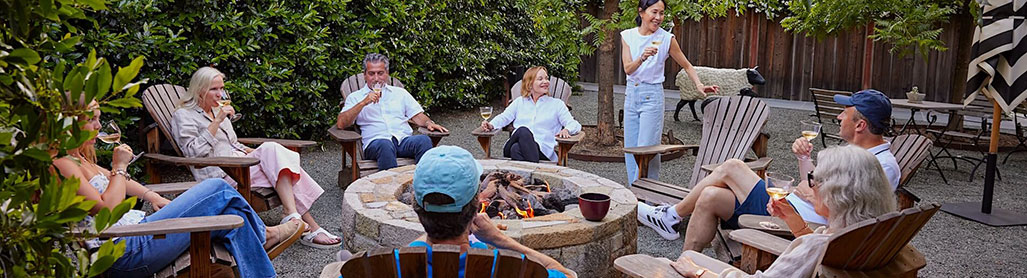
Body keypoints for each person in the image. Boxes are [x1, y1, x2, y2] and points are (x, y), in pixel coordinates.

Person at [53, 100, 305, 277]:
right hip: (124, 252)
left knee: (233, 219)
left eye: (98, 118)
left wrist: (151, 195)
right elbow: (106, 209)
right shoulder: (63, 164)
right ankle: (265, 235)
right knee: (217, 188)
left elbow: (118, 183)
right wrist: (120, 166)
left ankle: (264, 249)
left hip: (139, 234)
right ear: (68, 124)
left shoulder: (80, 159)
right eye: (91, 120)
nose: (98, 126)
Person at [637, 90, 900, 253]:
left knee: (732, 166)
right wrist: (804, 158)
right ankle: (686, 262)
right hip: (790, 205)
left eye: (845, 112)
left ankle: (671, 215)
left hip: (795, 221)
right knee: (709, 196)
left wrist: (809, 193)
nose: (840, 117)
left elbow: (842, 212)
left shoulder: (881, 167)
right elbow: (813, 185)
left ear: (861, 124)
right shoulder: (853, 151)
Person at [171, 67, 341, 249]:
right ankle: (309, 227)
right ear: (199, 90)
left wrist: (255, 153)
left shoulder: (215, 110)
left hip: (241, 164)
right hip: (222, 173)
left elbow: (233, 143)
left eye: (222, 88)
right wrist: (217, 121)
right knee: (276, 157)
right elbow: (193, 153)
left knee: (274, 155)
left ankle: (294, 216)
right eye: (214, 89)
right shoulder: (184, 115)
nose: (220, 94)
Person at [668, 145, 898, 278]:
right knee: (711, 196)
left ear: (835, 195)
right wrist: (793, 219)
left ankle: (670, 218)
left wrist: (697, 272)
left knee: (687, 260)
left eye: (814, 180)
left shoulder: (815, 247)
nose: (811, 185)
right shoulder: (868, 232)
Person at [408, 146, 575, 278]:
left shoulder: (394, 263)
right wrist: (499, 239)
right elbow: (568, 275)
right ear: (476, 206)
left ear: (415, 205)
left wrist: (435, 225)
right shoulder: (504, 268)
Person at [621, 0, 719, 184]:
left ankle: (643, 197)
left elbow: (687, 65)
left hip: (652, 98)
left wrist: (698, 85)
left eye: (662, 13)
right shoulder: (627, 36)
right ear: (641, 12)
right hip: (631, 96)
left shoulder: (667, 38)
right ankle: (635, 192)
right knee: (631, 148)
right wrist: (642, 57)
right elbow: (628, 68)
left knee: (647, 150)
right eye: (654, 12)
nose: (658, 18)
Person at [336, 53, 449, 170]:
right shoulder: (355, 97)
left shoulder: (400, 93)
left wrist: (428, 123)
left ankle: (424, 184)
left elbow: (418, 115)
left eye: (380, 73)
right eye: (371, 74)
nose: (376, 78)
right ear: (364, 75)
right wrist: (363, 102)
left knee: (424, 140)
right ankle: (389, 186)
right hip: (376, 144)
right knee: (385, 145)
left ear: (387, 74)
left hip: (402, 141)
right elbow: (341, 124)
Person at [479, 66, 582, 163]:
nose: (545, 82)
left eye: (546, 78)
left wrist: (567, 129)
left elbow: (575, 125)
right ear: (529, 84)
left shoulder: (557, 104)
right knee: (522, 132)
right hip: (511, 148)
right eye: (540, 79)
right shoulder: (520, 102)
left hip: (542, 151)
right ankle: (536, 173)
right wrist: (491, 125)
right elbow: (504, 117)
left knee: (516, 149)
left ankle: (527, 177)